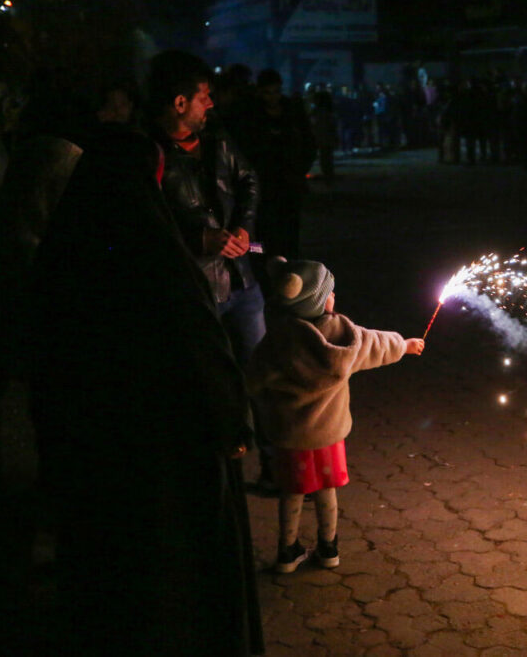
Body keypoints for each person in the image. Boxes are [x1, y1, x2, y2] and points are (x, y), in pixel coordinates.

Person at [29, 127, 265, 656]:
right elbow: (201, 349)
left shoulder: (64, 255)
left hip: (90, 458)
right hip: (167, 456)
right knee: (175, 580)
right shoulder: (157, 259)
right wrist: (232, 425)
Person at [146, 51, 274, 487]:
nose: (211, 104)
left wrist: (242, 227)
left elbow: (249, 181)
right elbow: (141, 223)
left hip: (241, 282)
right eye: (204, 97)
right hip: (195, 291)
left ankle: (275, 466)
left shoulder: (217, 141)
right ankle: (219, 473)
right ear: (180, 103)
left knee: (260, 374)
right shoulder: (147, 153)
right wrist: (197, 241)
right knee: (206, 383)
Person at [248, 259, 425, 572]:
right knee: (325, 492)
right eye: (329, 293)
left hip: (291, 438)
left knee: (292, 492)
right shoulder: (345, 337)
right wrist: (406, 345)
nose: (334, 297)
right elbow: (377, 343)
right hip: (329, 436)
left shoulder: (277, 340)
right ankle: (329, 548)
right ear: (319, 302)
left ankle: (287, 552)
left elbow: (252, 378)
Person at [246, 69, 316, 259]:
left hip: (289, 179)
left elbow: (308, 141)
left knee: (290, 224)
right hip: (264, 180)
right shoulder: (252, 114)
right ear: (260, 92)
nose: (273, 97)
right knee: (262, 226)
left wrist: (301, 167)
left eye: (276, 92)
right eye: (268, 92)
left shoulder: (292, 111)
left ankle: (289, 259)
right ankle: (260, 259)